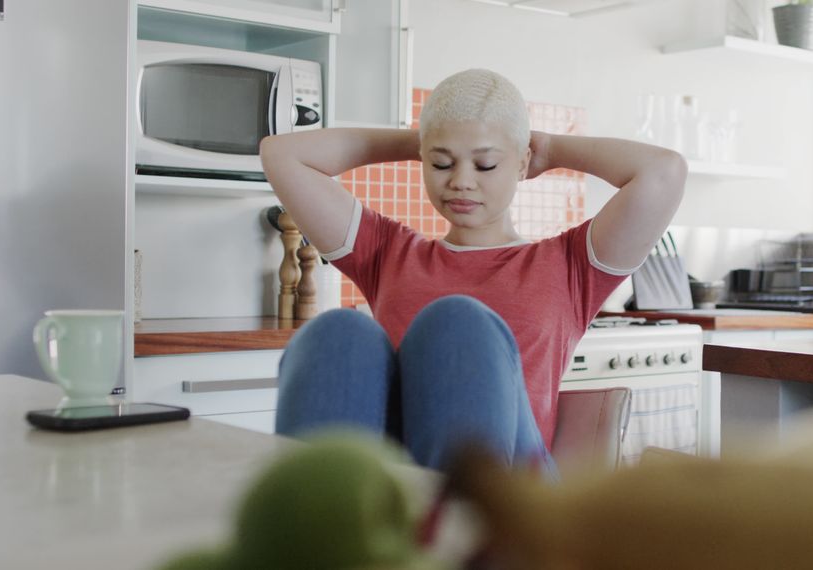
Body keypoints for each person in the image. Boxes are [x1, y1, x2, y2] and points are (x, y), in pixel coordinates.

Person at [259, 69, 686, 476]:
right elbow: (281, 153)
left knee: (456, 322)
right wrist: (425, 140)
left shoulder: (570, 264)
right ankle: (325, 532)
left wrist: (550, 149)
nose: (461, 181)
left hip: (510, 491)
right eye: (442, 164)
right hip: (399, 480)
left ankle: (461, 529)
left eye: (484, 165)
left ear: (521, 163)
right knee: (338, 332)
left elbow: (663, 172)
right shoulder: (389, 253)